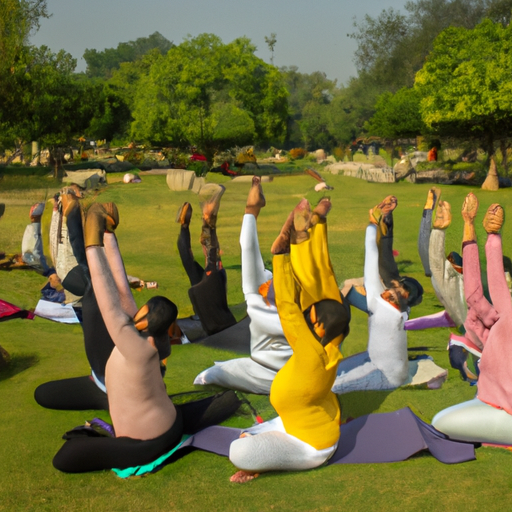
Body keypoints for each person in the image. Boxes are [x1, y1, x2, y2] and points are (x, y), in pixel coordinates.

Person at [52, 202, 183, 472]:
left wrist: (93, 243)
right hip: (168, 424)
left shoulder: (134, 344)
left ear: (146, 319)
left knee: (64, 458)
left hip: (145, 441)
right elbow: (122, 288)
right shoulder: (150, 343)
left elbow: (108, 294)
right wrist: (108, 235)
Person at [229, 197, 350, 482]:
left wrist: (281, 256)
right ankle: (266, 445)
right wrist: (312, 229)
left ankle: (264, 457)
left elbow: (289, 309)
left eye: (313, 316)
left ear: (319, 327)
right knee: (249, 435)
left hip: (311, 445)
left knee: (239, 450)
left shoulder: (311, 352)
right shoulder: (332, 340)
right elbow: (325, 285)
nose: (308, 313)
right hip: (298, 422)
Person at [331, 203, 443, 394]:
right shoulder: (388, 304)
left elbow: (375, 265)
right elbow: (371, 260)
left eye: (398, 287)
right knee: (334, 370)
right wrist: (372, 224)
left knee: (331, 386)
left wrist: (373, 226)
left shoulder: (389, 310)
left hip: (387, 375)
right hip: (375, 360)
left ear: (405, 296)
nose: (391, 286)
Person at [193, 177, 292, 394]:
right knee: (212, 374)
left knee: (205, 376)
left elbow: (248, 249)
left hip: (265, 373)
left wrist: (251, 212)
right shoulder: (303, 307)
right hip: (295, 376)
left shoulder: (259, 299)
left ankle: (253, 209)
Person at [432, 194, 512, 445]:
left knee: (441, 422)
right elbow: (474, 294)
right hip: (489, 404)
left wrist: (493, 238)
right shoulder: (493, 328)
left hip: (503, 412)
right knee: (441, 421)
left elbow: (497, 287)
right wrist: (469, 226)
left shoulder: (507, 319)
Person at [176, 183, 236, 336]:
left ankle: (185, 227)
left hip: (205, 306)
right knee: (208, 255)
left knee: (193, 260)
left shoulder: (214, 275)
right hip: (217, 320)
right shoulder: (215, 275)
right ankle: (203, 222)